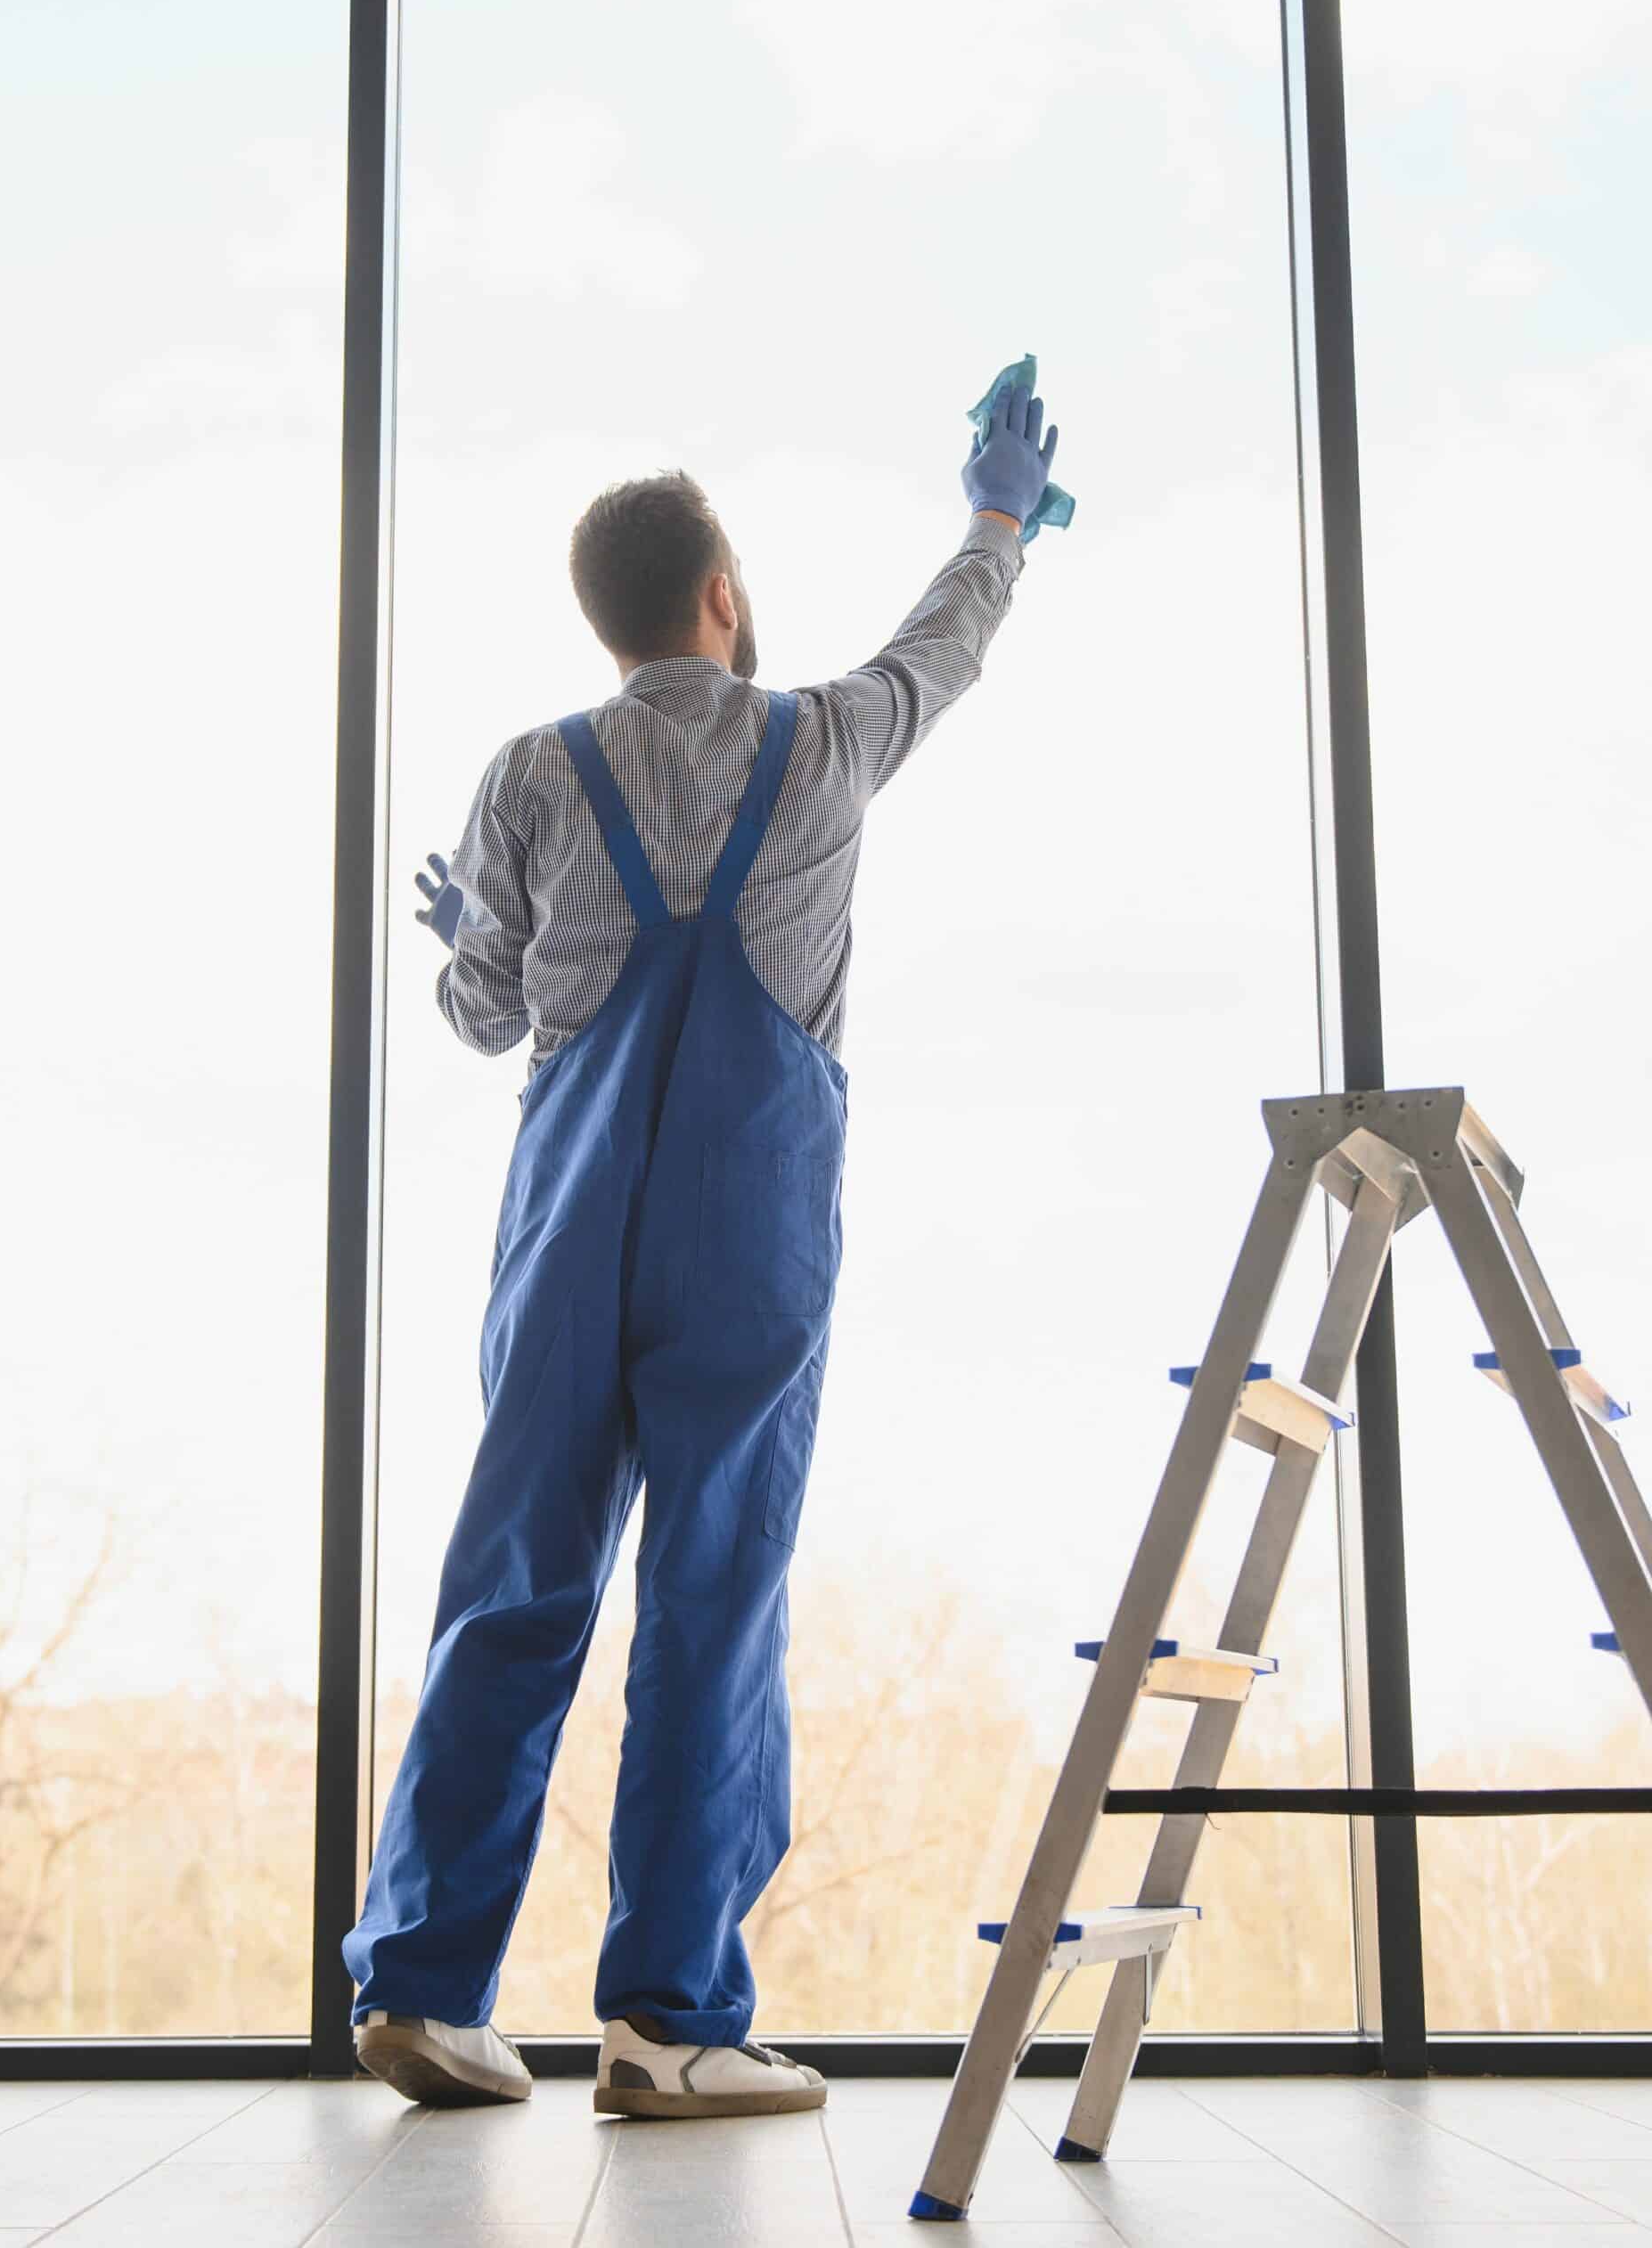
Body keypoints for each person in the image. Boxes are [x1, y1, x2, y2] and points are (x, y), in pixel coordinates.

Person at [346, 378, 1061, 2120]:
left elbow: (483, 1008)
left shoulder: (529, 770)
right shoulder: (815, 745)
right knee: (709, 1592)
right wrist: (993, 519)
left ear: (604, 619)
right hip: (742, 1237)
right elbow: (938, 648)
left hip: (564, 1238)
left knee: (513, 1582)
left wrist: (464, 938)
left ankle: (426, 1988)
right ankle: (666, 2019)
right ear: (721, 595)